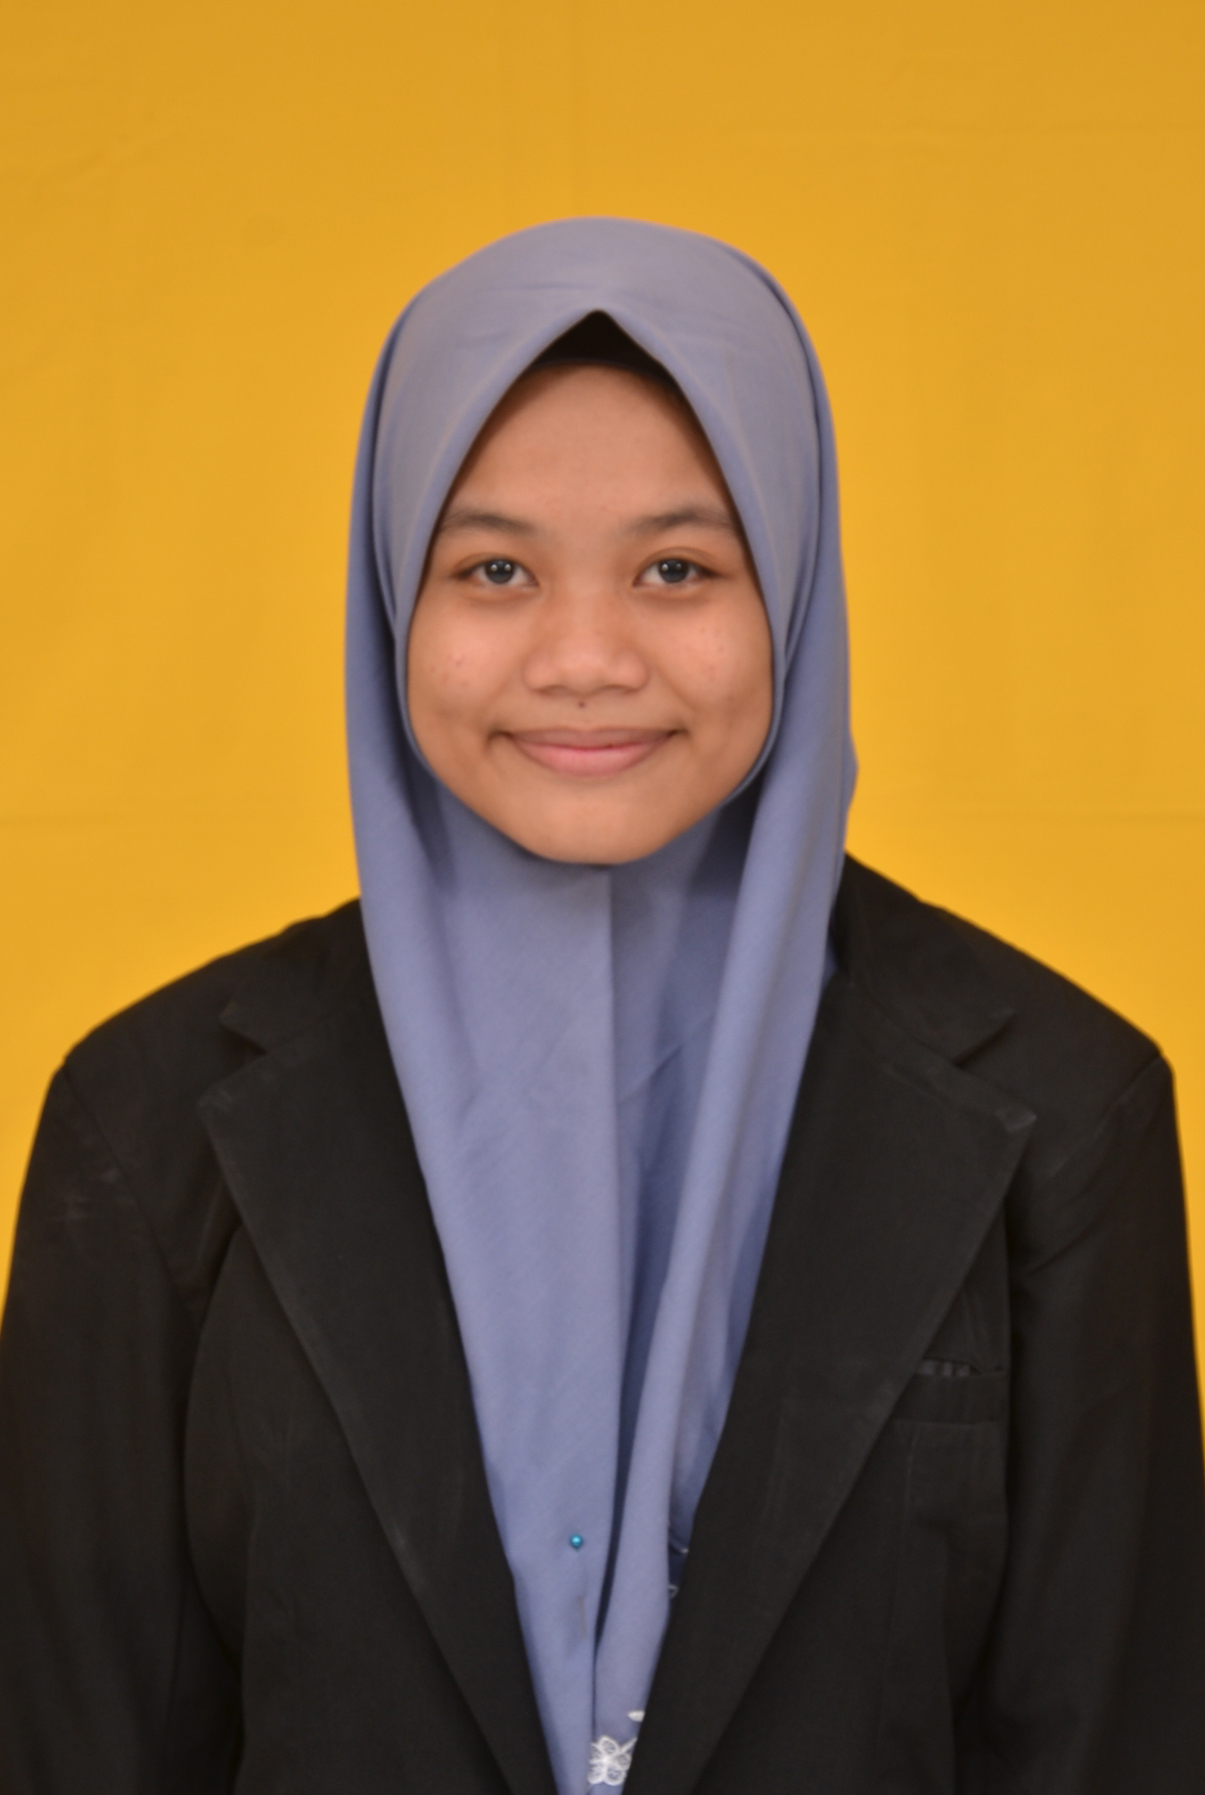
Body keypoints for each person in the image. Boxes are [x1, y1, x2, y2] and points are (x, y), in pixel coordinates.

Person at [1, 218, 1202, 1795]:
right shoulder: (147, 1122)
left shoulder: (1062, 1110)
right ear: (392, 596)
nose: (583, 656)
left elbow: (1109, 1741)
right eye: (493, 570)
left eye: (676, 569)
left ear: (793, 588)